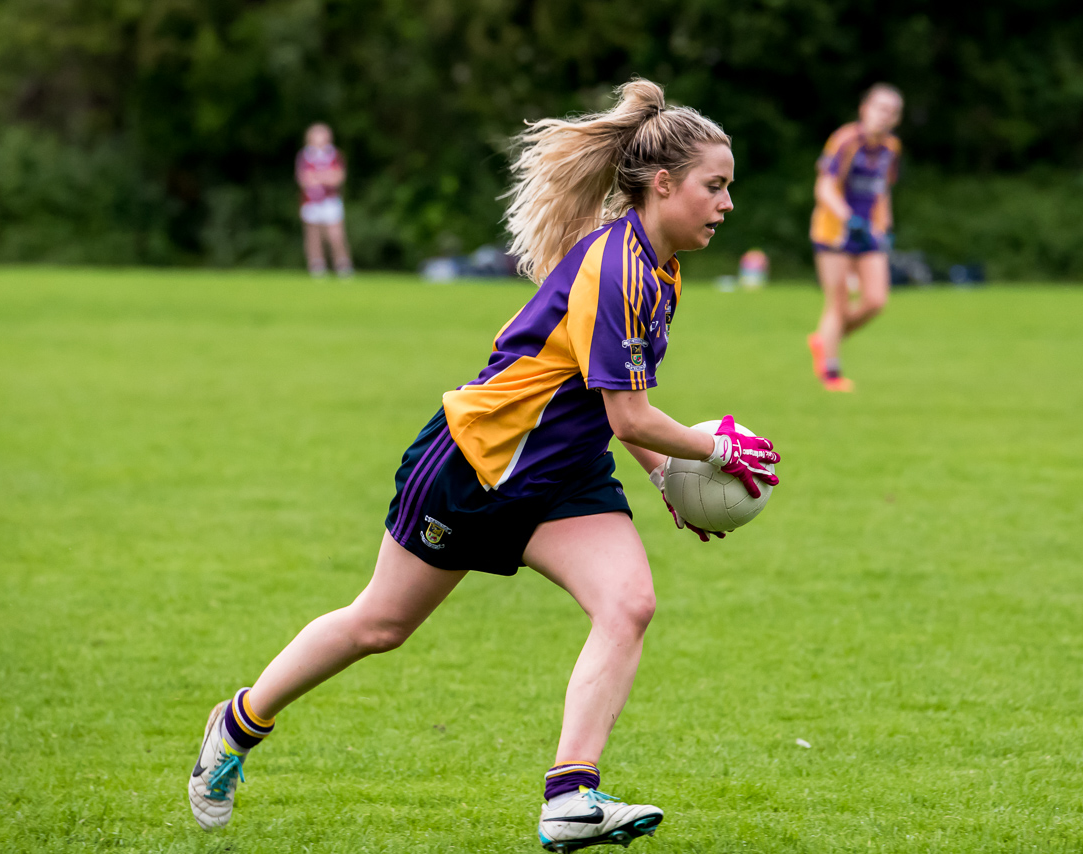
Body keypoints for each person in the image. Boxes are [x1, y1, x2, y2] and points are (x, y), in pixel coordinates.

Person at [188, 79, 781, 853]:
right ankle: (236, 726)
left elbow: (619, 400)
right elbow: (629, 415)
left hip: (562, 473)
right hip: (477, 461)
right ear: (663, 184)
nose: (726, 203)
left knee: (628, 603)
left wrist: (666, 476)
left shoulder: (658, 269)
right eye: (715, 186)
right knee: (380, 624)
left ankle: (570, 796)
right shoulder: (620, 268)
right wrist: (714, 450)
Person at [807, 84, 903, 392]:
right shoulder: (845, 140)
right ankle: (831, 373)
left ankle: (824, 340)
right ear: (864, 109)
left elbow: (881, 191)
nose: (883, 116)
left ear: (896, 118)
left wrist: (884, 227)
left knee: (876, 300)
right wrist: (850, 219)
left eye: (890, 111)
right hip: (834, 231)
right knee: (838, 301)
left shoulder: (891, 148)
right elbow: (823, 188)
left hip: (868, 233)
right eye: (879, 107)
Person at [296, 122, 354, 278]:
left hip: (331, 201)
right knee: (313, 236)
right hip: (311, 201)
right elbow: (304, 179)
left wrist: (319, 177)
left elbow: (338, 177)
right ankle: (317, 267)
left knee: (336, 236)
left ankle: (343, 266)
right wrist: (325, 176)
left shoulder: (334, 154)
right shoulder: (305, 155)